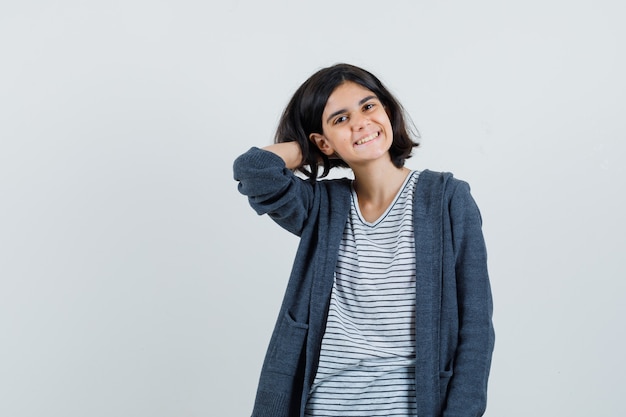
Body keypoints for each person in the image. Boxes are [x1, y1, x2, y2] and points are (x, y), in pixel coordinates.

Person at [233, 63, 495, 417]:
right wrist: (310, 151)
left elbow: (475, 325)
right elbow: (255, 170)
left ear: (387, 110)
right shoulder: (321, 206)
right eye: (340, 119)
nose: (360, 122)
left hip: (412, 407)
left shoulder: (447, 197)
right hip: (322, 405)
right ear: (323, 141)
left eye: (368, 106)